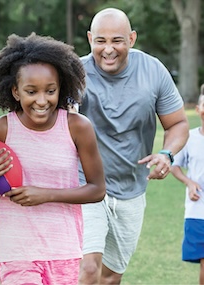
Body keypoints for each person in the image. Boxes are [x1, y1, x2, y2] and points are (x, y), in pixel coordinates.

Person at [0, 33, 106, 285]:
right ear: (15, 90)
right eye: (31, 91)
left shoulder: (77, 127)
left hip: (63, 247)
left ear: (61, 87)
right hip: (15, 248)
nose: (42, 100)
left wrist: (46, 194)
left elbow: (97, 189)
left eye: (50, 91)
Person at [77, 8, 190, 284]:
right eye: (100, 41)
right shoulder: (75, 74)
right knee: (89, 268)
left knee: (111, 275)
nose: (108, 49)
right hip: (85, 185)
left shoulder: (153, 71)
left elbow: (178, 124)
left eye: (117, 40)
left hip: (131, 189)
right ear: (90, 38)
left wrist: (167, 154)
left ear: (132, 39)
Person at [171, 91, 204, 284]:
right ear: (198, 110)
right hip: (197, 210)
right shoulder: (189, 138)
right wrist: (189, 182)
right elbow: (175, 165)